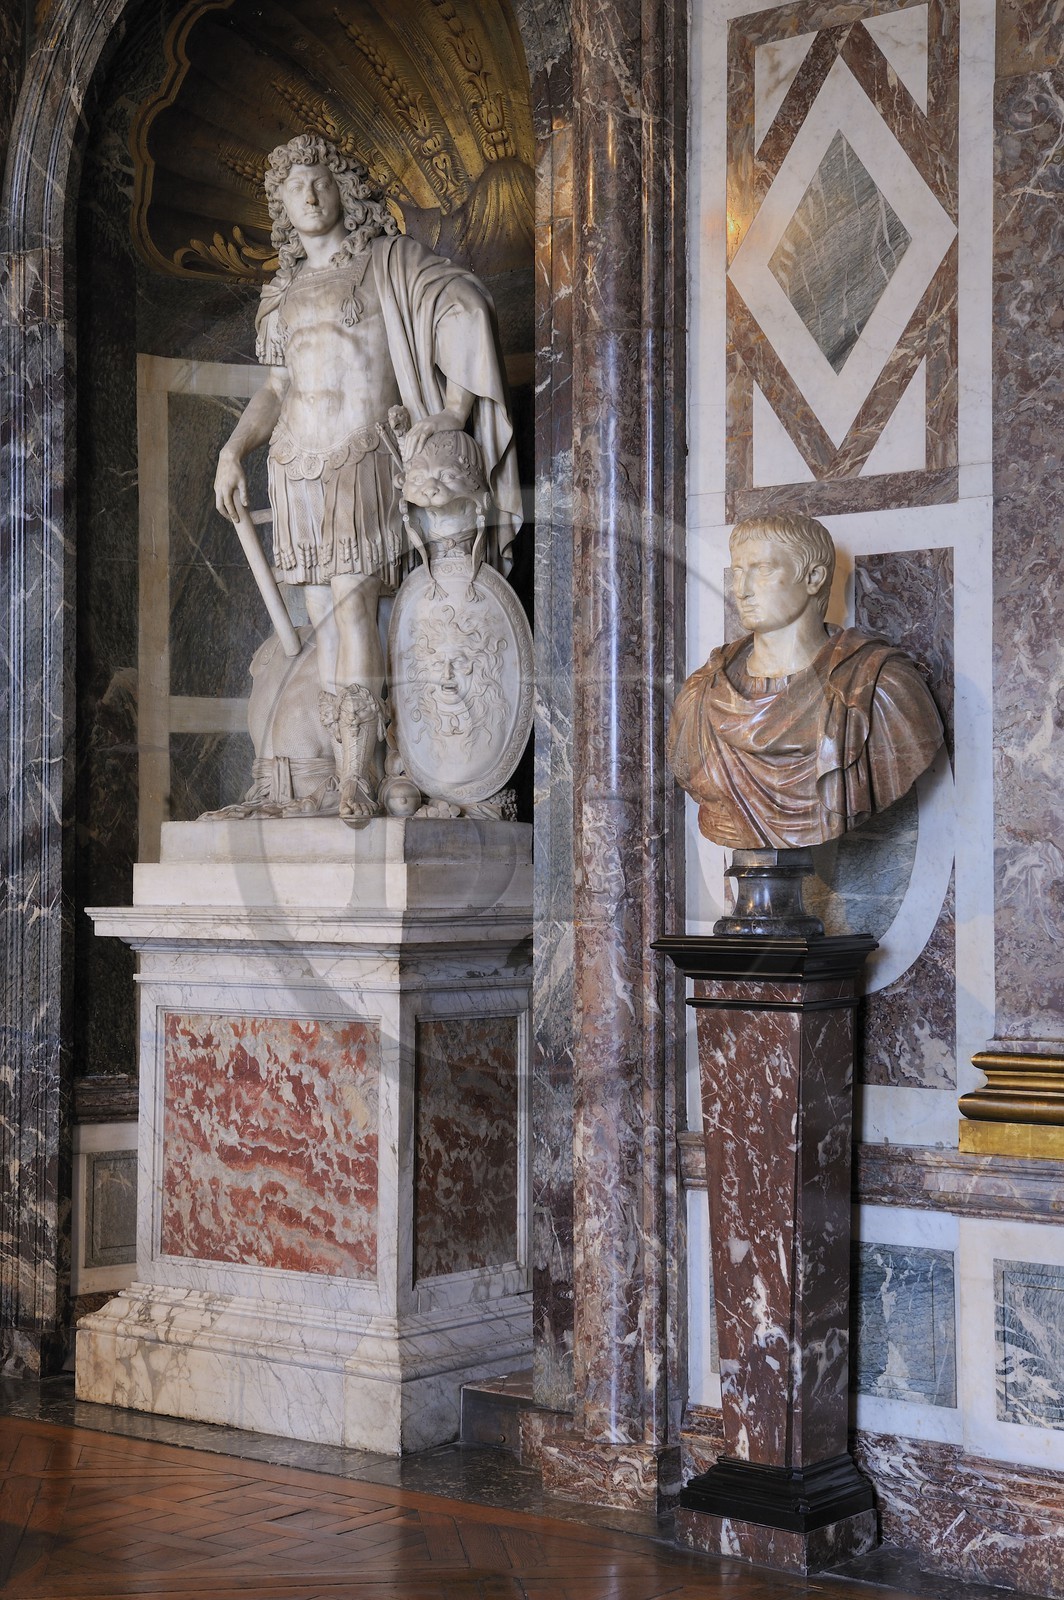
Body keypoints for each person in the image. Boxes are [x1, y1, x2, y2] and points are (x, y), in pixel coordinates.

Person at [214, 133, 520, 819]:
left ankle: (359, 772)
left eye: (319, 181)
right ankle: (349, 767)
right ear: (283, 208)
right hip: (295, 465)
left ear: (343, 189)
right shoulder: (281, 293)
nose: (310, 195)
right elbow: (274, 389)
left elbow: (462, 309)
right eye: (295, 189)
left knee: (354, 609)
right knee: (324, 619)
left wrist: (450, 413)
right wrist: (235, 449)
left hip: (365, 458)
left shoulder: (389, 263)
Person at [667, 513, 944, 849]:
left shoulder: (880, 688)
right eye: (738, 572)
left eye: (762, 569)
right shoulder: (701, 696)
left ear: (813, 577)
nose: (741, 590)